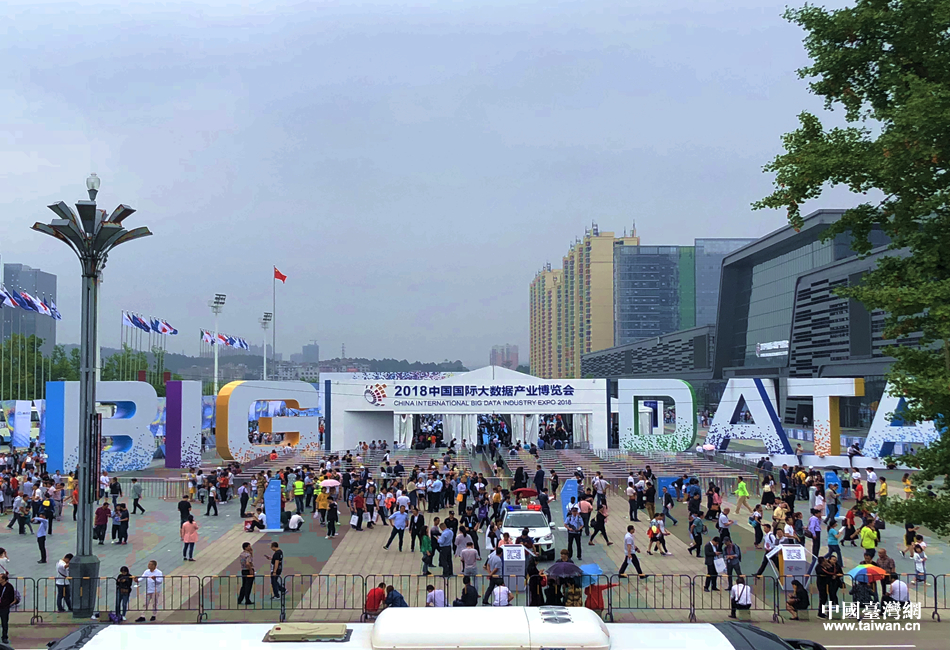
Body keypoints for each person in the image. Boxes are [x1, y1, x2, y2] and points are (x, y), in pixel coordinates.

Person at [0, 573, 17, 644]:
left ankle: (4, 637)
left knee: (4, 622)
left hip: (4, 607)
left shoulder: (9, 587)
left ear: (4, 579)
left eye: (0, 578)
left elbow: (11, 598)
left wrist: (6, 603)